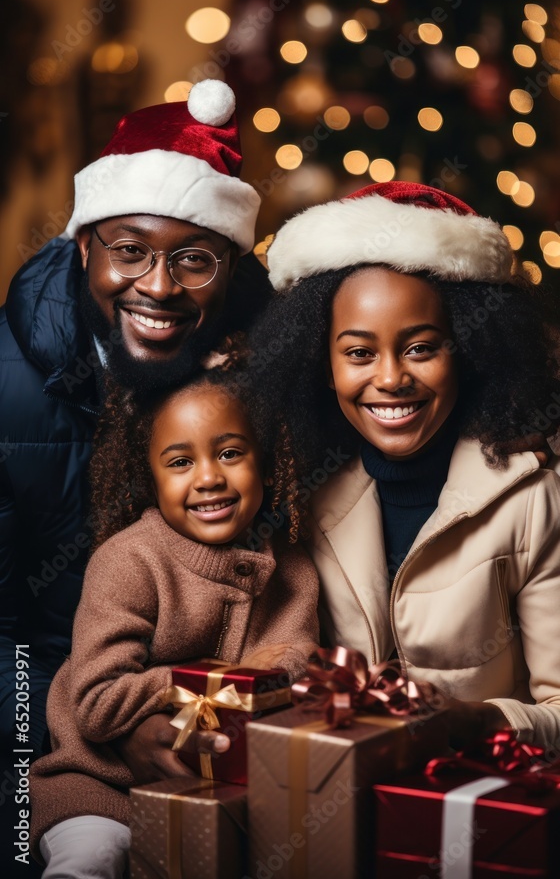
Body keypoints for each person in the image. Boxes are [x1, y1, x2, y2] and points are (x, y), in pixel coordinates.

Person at [0, 79, 270, 777]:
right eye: (129, 251)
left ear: (231, 265)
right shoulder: (7, 391)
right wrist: (100, 737)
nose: (158, 287)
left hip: (229, 734)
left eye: (195, 260)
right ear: (84, 243)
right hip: (45, 751)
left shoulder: (262, 372)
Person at [251, 180, 560, 751]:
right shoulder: (300, 496)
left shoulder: (532, 498)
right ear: (322, 365)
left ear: (467, 351)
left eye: (421, 347)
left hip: (483, 806)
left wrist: (477, 722)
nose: (391, 378)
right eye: (359, 353)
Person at [30, 358, 319, 877]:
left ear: (269, 464)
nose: (209, 478)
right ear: (151, 477)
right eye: (180, 462)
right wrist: (211, 677)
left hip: (220, 793)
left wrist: (285, 672)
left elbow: (294, 667)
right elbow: (97, 704)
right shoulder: (128, 561)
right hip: (102, 786)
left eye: (230, 453)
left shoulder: (293, 569)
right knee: (94, 859)